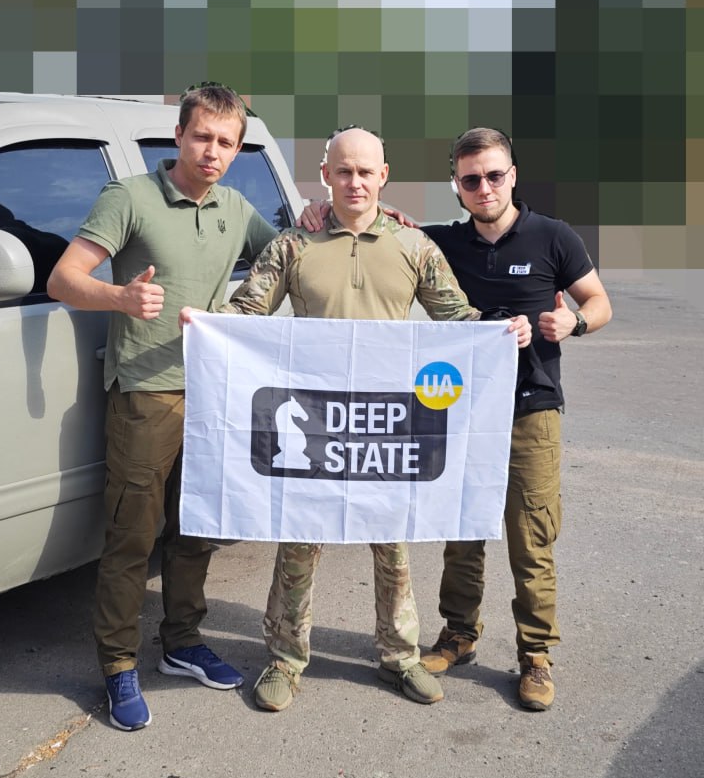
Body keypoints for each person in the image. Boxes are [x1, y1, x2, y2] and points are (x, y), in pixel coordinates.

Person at [187, 126, 532, 713]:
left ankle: (398, 656)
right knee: (298, 542)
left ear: (383, 177)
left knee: (391, 545)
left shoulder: (414, 246)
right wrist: (206, 323)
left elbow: (456, 317)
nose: (354, 182)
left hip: (387, 425)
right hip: (312, 425)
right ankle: (286, 658)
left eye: (365, 171)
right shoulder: (294, 246)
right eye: (343, 170)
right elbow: (247, 314)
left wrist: (504, 331)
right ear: (326, 175)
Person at [297, 128, 612, 711]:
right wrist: (319, 206)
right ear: (457, 186)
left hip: (530, 410)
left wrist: (576, 324)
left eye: (494, 175)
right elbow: (375, 217)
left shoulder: (554, 237)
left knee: (530, 536)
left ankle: (535, 655)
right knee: (462, 531)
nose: (484, 187)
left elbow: (598, 301)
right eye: (471, 179)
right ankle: (459, 635)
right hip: (457, 410)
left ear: (513, 174)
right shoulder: (440, 242)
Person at [46, 84, 277, 731]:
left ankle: (182, 642)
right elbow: (63, 279)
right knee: (133, 534)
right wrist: (119, 299)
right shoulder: (131, 198)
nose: (213, 152)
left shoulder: (235, 206)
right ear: (177, 136)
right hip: (146, 393)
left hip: (211, 388)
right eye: (202, 137)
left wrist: (367, 221)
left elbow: (288, 258)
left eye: (227, 143)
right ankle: (119, 664)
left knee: (197, 526)